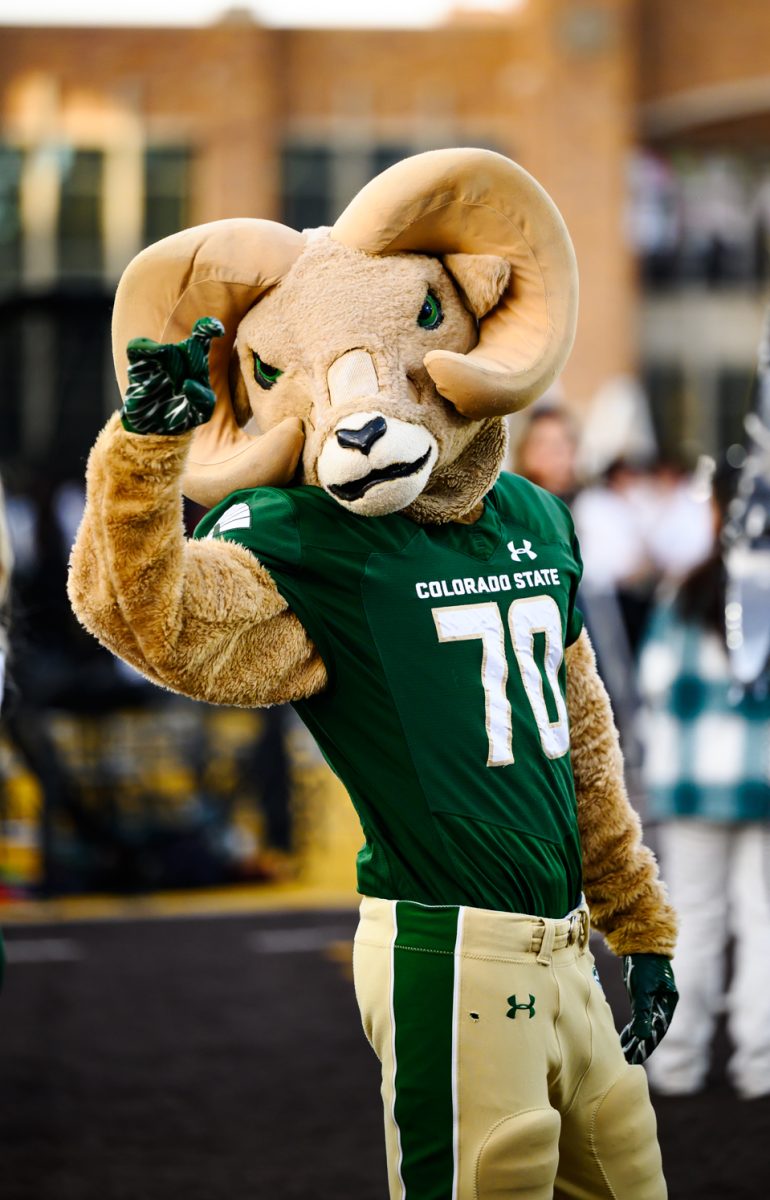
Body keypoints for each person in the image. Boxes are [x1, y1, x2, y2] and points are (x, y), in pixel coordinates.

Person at [638, 475, 770, 1099]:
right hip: (764, 785)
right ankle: (760, 1066)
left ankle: (678, 1062)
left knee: (691, 918)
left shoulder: (684, 589)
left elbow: (654, 681)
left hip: (689, 785)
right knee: (764, 921)